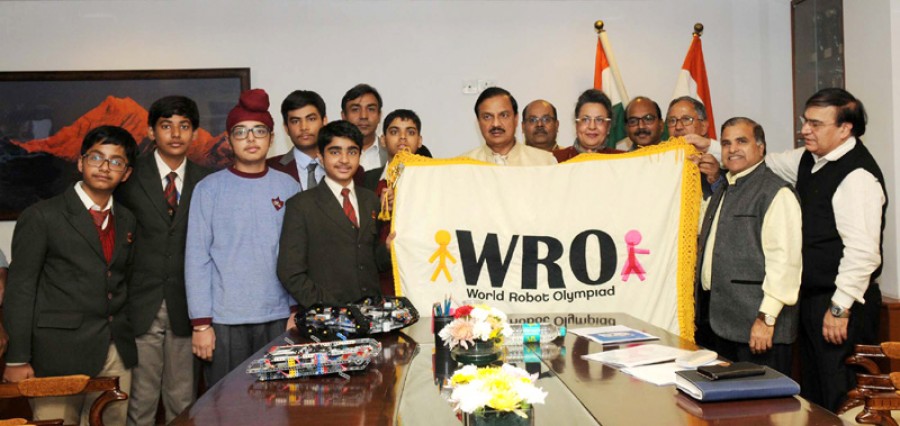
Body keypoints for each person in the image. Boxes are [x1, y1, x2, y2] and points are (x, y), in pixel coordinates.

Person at [4, 125, 138, 425]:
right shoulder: (42, 216)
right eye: (96, 157)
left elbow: (121, 279)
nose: (104, 167)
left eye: (116, 161)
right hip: (57, 352)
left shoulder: (127, 219)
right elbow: (21, 289)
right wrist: (17, 358)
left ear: (126, 173)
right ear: (80, 162)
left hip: (115, 350)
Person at [765, 88, 885, 412]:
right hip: (812, 300)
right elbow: (766, 161)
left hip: (841, 306)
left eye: (815, 124)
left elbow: (863, 252)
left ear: (845, 129)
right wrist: (713, 147)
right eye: (805, 121)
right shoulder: (809, 158)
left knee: (842, 399)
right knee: (816, 398)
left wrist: (839, 308)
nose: (805, 129)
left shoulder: (857, 176)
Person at [185, 89, 299, 387]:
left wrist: (295, 310)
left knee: (278, 402)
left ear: (271, 138)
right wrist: (201, 324)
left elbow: (296, 255)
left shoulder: (288, 187)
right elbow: (196, 258)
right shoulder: (208, 189)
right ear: (229, 139)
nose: (251, 139)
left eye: (259, 131)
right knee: (225, 402)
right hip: (225, 320)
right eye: (241, 132)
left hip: (278, 317)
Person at [116, 96, 211, 425]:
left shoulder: (207, 180)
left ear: (195, 133)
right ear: (151, 131)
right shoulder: (128, 177)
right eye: (166, 125)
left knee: (182, 399)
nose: (176, 133)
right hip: (140, 303)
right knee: (140, 401)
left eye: (184, 126)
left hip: (187, 305)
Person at [695, 117, 802, 376]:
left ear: (761, 147)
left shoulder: (776, 192)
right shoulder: (725, 187)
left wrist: (767, 318)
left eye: (741, 141)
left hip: (759, 327)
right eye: (726, 143)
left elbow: (785, 262)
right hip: (721, 324)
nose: (732, 149)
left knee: (764, 401)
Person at [277, 120, 390, 309]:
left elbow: (371, 260)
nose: (344, 160)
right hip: (327, 316)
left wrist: (387, 249)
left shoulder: (370, 199)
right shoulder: (301, 205)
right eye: (335, 152)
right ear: (320, 156)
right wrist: (330, 307)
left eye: (352, 152)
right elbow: (290, 272)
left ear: (360, 156)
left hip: (371, 313)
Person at [363, 109, 424, 295]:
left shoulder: (432, 182)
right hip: (379, 283)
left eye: (410, 132)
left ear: (419, 141)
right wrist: (380, 208)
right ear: (383, 140)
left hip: (421, 280)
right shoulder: (367, 180)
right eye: (395, 131)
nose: (403, 138)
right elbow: (359, 237)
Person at [462, 87, 556, 166]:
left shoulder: (545, 162)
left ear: (516, 119)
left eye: (504, 115)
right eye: (487, 117)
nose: (496, 124)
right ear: (478, 122)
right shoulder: (463, 166)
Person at [267, 90, 328, 190]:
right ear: (286, 128)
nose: (304, 127)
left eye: (311, 119)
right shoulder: (269, 168)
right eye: (295, 121)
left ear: (324, 121)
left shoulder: (344, 166)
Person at [666, 96, 722, 195]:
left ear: (703, 127)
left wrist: (715, 180)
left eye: (686, 119)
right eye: (672, 121)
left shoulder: (714, 165)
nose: (678, 127)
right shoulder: (658, 162)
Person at [554, 89, 622, 162]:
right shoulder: (554, 160)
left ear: (608, 127)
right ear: (576, 125)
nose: (592, 127)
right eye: (585, 119)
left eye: (599, 120)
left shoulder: (622, 160)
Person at [341, 84, 385, 171]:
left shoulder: (392, 153)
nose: (363, 116)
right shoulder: (330, 154)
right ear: (344, 116)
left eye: (371, 109)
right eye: (355, 109)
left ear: (379, 116)